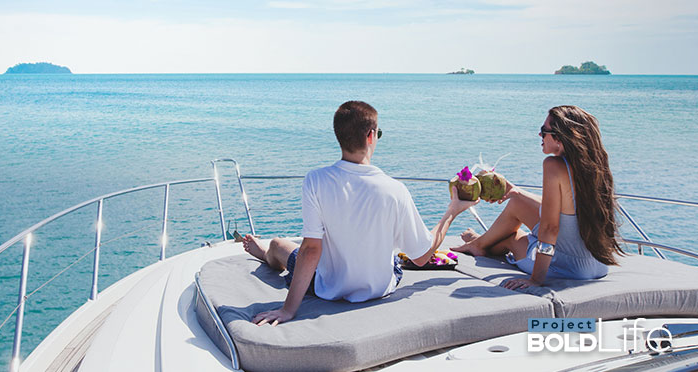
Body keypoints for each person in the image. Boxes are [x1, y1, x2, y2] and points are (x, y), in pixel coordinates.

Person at [242, 100, 478, 326]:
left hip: (327, 288)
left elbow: (311, 249)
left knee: (278, 244)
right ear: (371, 136)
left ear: (339, 137)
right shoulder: (395, 190)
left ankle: (266, 254)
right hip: (380, 288)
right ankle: (266, 252)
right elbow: (421, 256)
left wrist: (288, 309)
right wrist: (452, 211)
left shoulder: (315, 180)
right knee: (392, 253)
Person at [452, 105, 624, 289]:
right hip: (598, 265)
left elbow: (550, 228)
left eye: (544, 131)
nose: (540, 136)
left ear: (560, 137)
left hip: (569, 268)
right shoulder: (594, 166)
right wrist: (517, 191)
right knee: (516, 202)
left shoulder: (553, 165)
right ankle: (479, 242)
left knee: (514, 237)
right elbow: (567, 208)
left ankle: (479, 244)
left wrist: (536, 279)